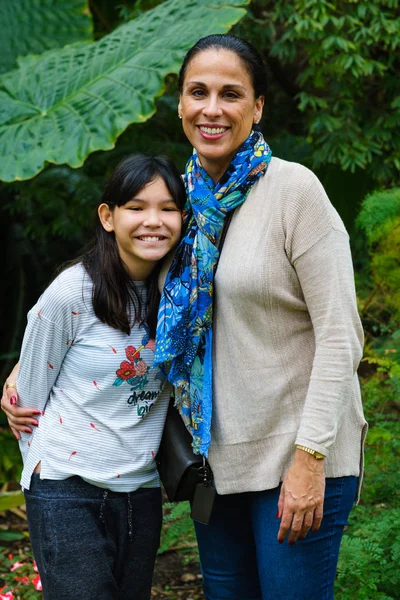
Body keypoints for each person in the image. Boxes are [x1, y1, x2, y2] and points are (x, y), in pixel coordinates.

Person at [2, 34, 367, 600]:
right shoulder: (180, 203)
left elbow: (342, 337)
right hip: (213, 468)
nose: (212, 108)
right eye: (199, 92)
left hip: (294, 461)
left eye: (231, 94)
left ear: (258, 107)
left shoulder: (295, 192)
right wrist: (31, 369)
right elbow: (127, 309)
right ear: (179, 104)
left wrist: (310, 458)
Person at [0, 154, 185, 600]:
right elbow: (29, 394)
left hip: (140, 492)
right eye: (137, 208)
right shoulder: (72, 292)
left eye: (167, 208)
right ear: (108, 216)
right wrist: (43, 466)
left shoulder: (184, 293)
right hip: (67, 488)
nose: (153, 222)